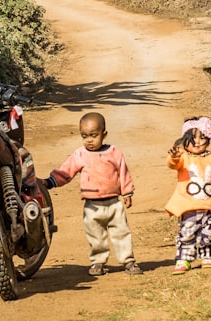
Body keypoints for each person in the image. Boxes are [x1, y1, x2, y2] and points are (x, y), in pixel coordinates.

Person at [43, 111, 143, 276]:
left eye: (93, 135)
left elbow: (123, 172)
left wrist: (127, 193)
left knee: (122, 232)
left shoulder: (114, 152)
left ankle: (128, 261)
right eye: (85, 136)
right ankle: (98, 262)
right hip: (92, 206)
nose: (89, 140)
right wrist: (50, 182)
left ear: (104, 134)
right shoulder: (80, 154)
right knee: (96, 236)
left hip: (114, 203)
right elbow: (66, 172)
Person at [163, 116, 211, 273]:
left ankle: (209, 257)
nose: (197, 141)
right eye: (193, 138)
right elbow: (172, 164)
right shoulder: (183, 157)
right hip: (188, 206)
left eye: (202, 137)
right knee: (187, 233)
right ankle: (184, 259)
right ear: (185, 139)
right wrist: (174, 156)